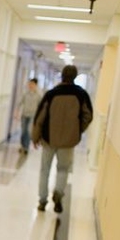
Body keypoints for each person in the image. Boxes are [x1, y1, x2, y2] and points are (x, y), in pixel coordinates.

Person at [31, 64, 93, 213]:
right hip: (68, 142)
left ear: (62, 76)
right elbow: (88, 116)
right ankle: (58, 193)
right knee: (63, 169)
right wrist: (77, 131)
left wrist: (35, 137)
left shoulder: (52, 94)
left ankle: (42, 201)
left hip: (48, 139)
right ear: (75, 76)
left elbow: (40, 117)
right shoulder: (81, 94)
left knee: (45, 170)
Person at [17, 77, 41, 153]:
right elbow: (19, 103)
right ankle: (22, 145)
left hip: (33, 116)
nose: (30, 85)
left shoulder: (39, 95)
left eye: (32, 84)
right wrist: (16, 112)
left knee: (28, 130)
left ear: (35, 85)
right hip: (24, 115)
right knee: (23, 131)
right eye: (29, 84)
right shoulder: (25, 93)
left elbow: (41, 106)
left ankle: (26, 147)